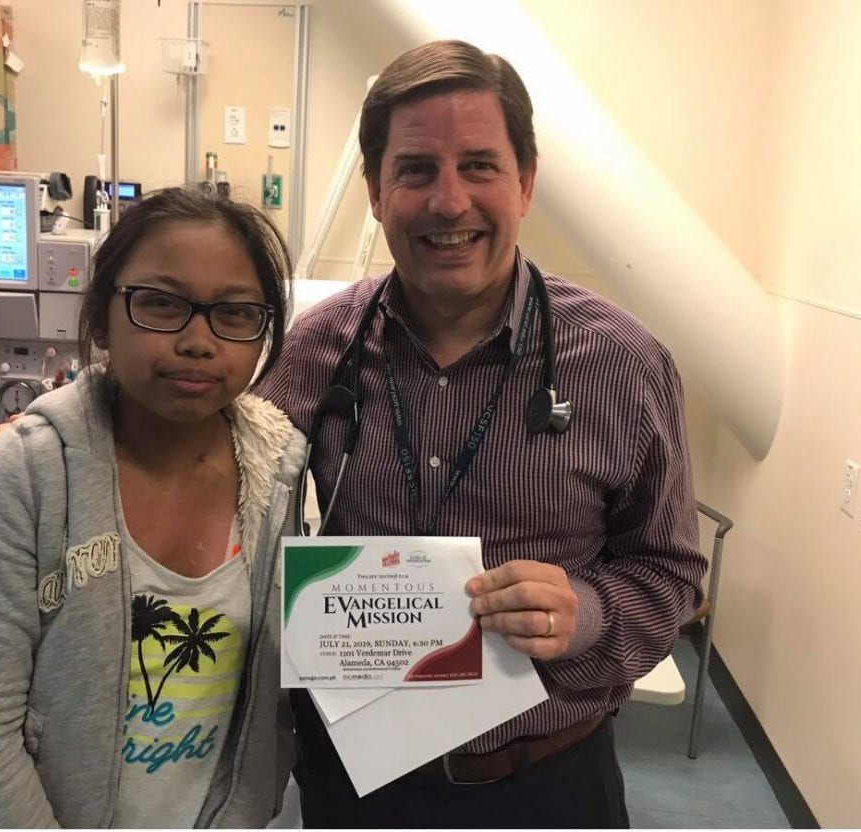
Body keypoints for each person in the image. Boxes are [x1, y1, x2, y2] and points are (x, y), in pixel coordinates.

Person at [253, 39, 707, 828]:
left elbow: (670, 575)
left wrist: (587, 614)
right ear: (375, 190)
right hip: (356, 783)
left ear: (526, 182)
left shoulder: (624, 364)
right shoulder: (313, 351)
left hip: (547, 782)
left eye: (480, 166)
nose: (449, 201)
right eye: (417, 170)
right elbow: (212, 483)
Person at [0, 188, 306, 828]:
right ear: (102, 317)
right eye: (160, 303)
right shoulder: (32, 474)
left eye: (235, 313)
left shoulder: (283, 472)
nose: (197, 340)